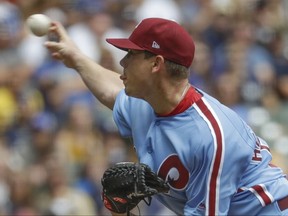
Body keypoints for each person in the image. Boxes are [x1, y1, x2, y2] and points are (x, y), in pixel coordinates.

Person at [45, 17, 288, 215]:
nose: (122, 61)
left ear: (155, 64)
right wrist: (76, 58)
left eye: (131, 54)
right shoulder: (146, 102)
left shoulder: (211, 136)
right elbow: (111, 90)